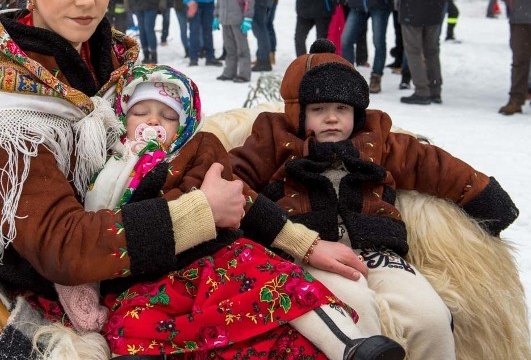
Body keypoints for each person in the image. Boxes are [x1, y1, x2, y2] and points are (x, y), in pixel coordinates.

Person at [0, 0, 248, 353]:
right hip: (66, 285)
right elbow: (60, 245)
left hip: (142, 254)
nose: (88, 0)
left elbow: (172, 150)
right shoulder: (0, 100)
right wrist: (198, 214)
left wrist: (298, 241)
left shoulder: (117, 63)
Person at [55, 63, 405, 359]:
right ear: (122, 116)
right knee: (130, 327)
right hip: (149, 278)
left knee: (282, 287)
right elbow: (92, 230)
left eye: (167, 115)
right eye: (140, 112)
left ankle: (349, 344)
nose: (153, 121)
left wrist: (303, 243)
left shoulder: (196, 150)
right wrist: (84, 294)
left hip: (217, 259)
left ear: (186, 123)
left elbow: (245, 199)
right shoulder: (102, 167)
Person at [230, 39, 519, 360]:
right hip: (312, 252)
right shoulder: (274, 140)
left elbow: (431, 164)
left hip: (377, 249)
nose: (331, 118)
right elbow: (230, 178)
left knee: (430, 317)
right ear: (297, 112)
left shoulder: (377, 140)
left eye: (341, 109)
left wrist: (480, 194)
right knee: (356, 313)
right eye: (318, 110)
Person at [214, 0, 254, 82]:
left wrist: (247, 18)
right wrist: (216, 15)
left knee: (242, 48)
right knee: (229, 47)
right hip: (225, 18)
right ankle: (229, 71)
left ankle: (244, 73)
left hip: (239, 18)